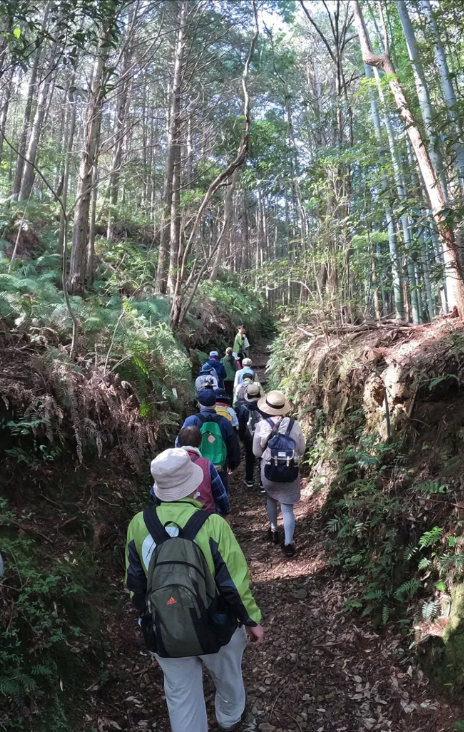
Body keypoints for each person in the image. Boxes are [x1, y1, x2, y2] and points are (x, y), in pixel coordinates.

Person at [125, 448, 263, 732]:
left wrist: (147, 617)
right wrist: (251, 619)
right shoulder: (213, 525)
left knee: (180, 693)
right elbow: (234, 582)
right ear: (192, 485)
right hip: (217, 624)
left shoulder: (139, 524)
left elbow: (135, 582)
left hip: (165, 626)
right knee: (228, 679)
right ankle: (230, 721)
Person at [253, 390, 306, 558]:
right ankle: (288, 544)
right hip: (290, 470)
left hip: (269, 470)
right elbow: (302, 449)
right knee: (288, 508)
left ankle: (274, 530)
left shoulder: (261, 425)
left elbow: (256, 452)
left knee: (270, 498)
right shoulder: (294, 425)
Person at [181, 389, 240, 492]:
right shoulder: (224, 421)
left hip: (196, 465)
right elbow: (232, 443)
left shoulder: (191, 421)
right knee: (220, 491)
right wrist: (233, 463)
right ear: (215, 404)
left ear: (199, 403)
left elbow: (180, 443)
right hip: (219, 465)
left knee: (199, 492)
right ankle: (222, 507)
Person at [177, 426, 230, 517]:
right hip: (205, 516)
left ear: (179, 443)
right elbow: (220, 494)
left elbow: (155, 493)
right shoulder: (206, 464)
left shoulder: (170, 464)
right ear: (200, 443)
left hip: (177, 517)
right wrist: (225, 512)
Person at [237, 382, 263, 490]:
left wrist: (241, 439)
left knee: (249, 458)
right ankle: (262, 484)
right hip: (262, 435)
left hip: (249, 437)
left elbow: (241, 426)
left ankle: (249, 481)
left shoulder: (243, 409)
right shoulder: (263, 407)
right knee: (262, 458)